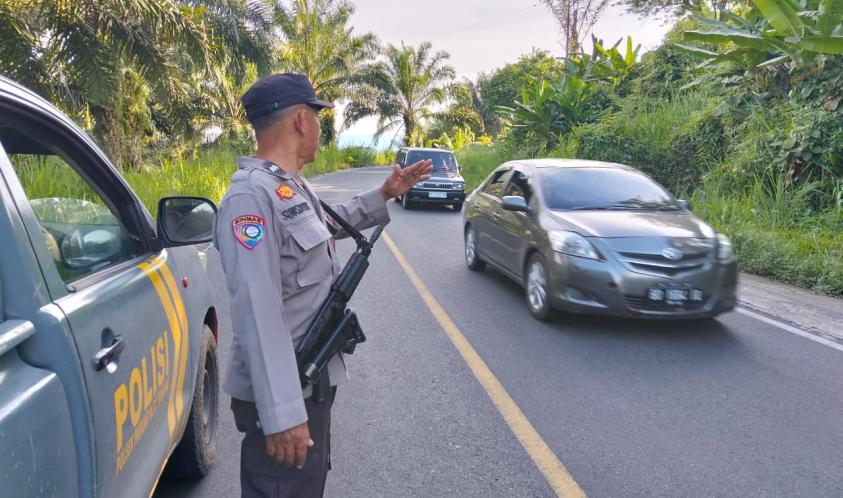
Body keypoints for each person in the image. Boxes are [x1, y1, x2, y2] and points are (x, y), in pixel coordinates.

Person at [213, 73, 432, 498]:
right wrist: (282, 414)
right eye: (317, 116)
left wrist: (385, 193)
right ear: (300, 120)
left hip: (307, 382)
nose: (319, 126)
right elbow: (258, 313)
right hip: (283, 393)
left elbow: (326, 224)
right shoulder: (250, 200)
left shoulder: (287, 187)